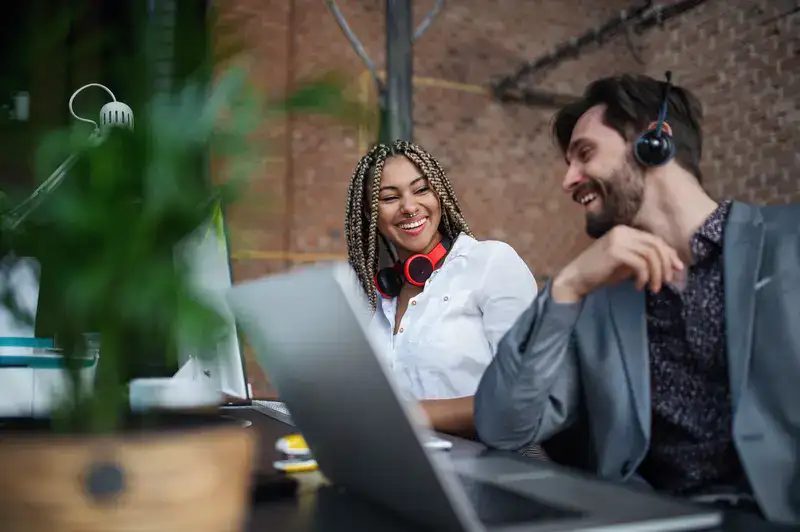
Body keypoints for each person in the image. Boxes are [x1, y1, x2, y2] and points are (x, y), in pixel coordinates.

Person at [473, 73, 800, 524]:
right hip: (646, 519)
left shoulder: (790, 242)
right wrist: (567, 286)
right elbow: (504, 427)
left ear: (655, 140)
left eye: (584, 154)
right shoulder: (597, 297)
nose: (569, 180)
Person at [344, 139, 537, 436]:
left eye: (421, 190)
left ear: (439, 194)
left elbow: (526, 396)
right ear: (372, 214)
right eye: (389, 197)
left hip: (482, 469)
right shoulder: (376, 298)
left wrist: (404, 415)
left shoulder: (491, 263)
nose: (409, 207)